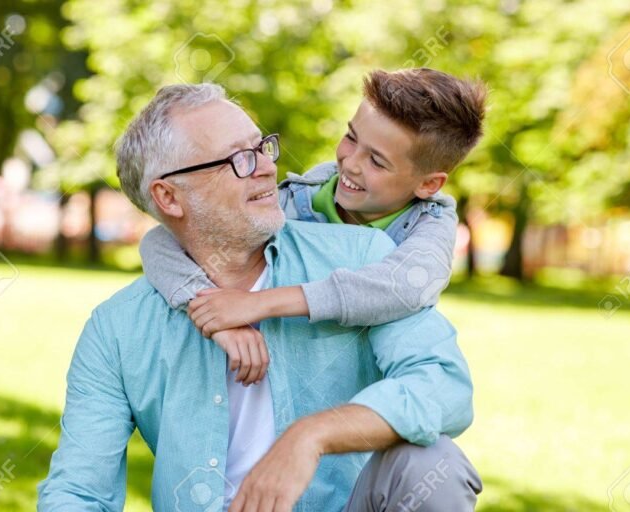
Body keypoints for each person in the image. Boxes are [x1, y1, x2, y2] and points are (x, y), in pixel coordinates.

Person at [37, 83, 481, 512]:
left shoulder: (366, 257)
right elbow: (79, 492)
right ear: (169, 197)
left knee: (432, 463)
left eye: (261, 148)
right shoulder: (118, 328)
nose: (269, 168)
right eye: (239, 160)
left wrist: (312, 435)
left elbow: (445, 388)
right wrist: (204, 306)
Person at [139, 69, 486, 386]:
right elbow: (159, 243)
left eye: (377, 161)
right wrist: (212, 312)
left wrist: (258, 304)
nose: (350, 163)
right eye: (351, 137)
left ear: (428, 185)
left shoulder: (429, 225)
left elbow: (405, 287)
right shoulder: (296, 202)